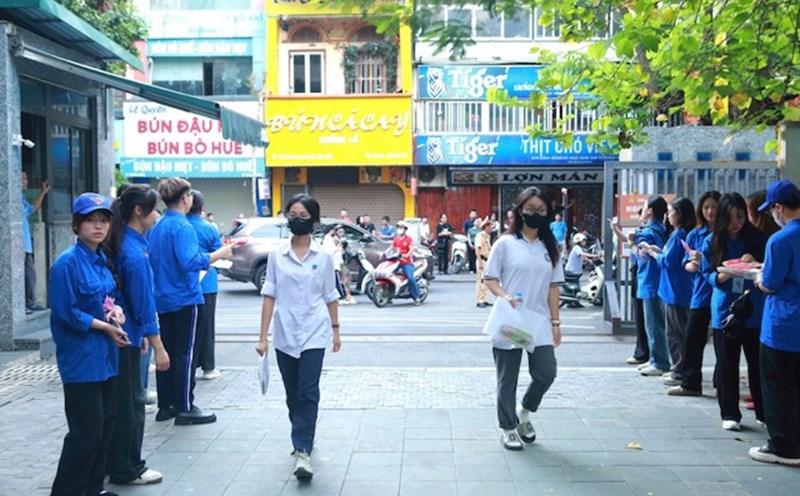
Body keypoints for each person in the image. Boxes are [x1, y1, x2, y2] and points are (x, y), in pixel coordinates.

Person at [255, 194, 341, 481]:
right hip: (285, 334)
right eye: (292, 214)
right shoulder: (277, 255)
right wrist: (263, 337)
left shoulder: (324, 257)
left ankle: (301, 449)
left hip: (315, 334)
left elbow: (330, 295)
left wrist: (336, 330)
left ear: (314, 221)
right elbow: (269, 295)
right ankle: (303, 432)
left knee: (307, 391)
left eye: (303, 216)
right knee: (293, 395)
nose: (297, 220)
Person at [48, 193, 129, 496]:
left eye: (103, 220)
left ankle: (93, 488)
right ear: (77, 224)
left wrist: (114, 312)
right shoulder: (66, 264)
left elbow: (106, 299)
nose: (98, 226)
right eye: (90, 221)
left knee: (107, 424)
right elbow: (67, 312)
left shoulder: (101, 261)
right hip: (81, 359)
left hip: (106, 356)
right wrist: (106, 326)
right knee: (86, 432)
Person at [483, 187, 564, 451]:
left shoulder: (550, 247)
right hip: (512, 320)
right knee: (508, 377)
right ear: (520, 211)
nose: (535, 214)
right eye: (530, 210)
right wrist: (504, 295)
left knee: (546, 373)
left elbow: (554, 287)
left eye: (541, 211)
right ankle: (508, 427)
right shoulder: (505, 244)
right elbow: (490, 278)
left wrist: (555, 323)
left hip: (538, 323)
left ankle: (524, 411)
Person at [148, 178, 232, 426]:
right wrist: (220, 254)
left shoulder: (159, 225)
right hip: (185, 297)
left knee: (169, 352)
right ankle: (185, 405)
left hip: (163, 297)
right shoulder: (182, 227)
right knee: (186, 353)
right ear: (186, 198)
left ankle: (166, 405)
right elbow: (190, 261)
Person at [103, 184, 170, 486]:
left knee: (120, 403)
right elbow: (143, 305)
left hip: (123, 334)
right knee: (132, 403)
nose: (157, 215)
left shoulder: (125, 245)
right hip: (128, 336)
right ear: (139, 212)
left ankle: (114, 462)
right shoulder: (134, 254)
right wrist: (158, 345)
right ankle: (129, 466)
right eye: (155, 209)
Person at [701, 192, 766, 431]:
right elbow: (707, 273)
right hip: (725, 310)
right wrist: (725, 273)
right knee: (727, 365)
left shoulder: (757, 238)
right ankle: (730, 414)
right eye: (730, 218)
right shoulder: (712, 241)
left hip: (755, 309)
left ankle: (764, 412)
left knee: (757, 365)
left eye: (740, 216)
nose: (736, 222)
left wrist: (754, 262)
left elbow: (768, 267)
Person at [751, 179, 800, 466]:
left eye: (771, 212)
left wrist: (758, 276)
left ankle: (783, 446)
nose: (772, 217)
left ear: (779, 208)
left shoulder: (780, 240)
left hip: (783, 326)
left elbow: (769, 283)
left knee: (778, 388)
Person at [668, 191, 720, 396]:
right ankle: (690, 383)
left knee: (723, 343)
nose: (710, 211)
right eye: (706, 207)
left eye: (714, 207)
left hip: (722, 293)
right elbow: (685, 265)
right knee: (693, 339)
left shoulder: (728, 234)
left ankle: (721, 383)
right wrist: (694, 262)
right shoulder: (694, 235)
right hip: (700, 293)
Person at [643, 197, 696, 388]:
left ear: (679, 214)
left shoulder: (679, 234)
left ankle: (679, 371)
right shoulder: (679, 234)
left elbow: (667, 262)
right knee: (676, 333)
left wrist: (652, 253)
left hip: (676, 291)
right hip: (677, 290)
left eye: (671, 211)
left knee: (676, 334)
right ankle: (677, 369)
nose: (668, 215)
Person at [188, 191, 223, 380]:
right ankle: (208, 367)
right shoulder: (209, 228)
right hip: (207, 284)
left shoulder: (179, 226)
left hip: (184, 285)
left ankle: (189, 366)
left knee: (187, 329)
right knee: (207, 326)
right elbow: (219, 254)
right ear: (201, 207)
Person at [635, 196, 671, 377]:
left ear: (650, 211)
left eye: (644, 207)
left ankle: (660, 361)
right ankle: (654, 359)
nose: (642, 210)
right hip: (651, 281)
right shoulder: (658, 230)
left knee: (654, 323)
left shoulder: (650, 231)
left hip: (651, 281)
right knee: (653, 323)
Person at [610, 210, 649, 365]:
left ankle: (645, 354)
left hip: (643, 275)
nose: (640, 216)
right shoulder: (642, 231)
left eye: (644, 212)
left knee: (645, 317)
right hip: (638, 273)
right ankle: (644, 352)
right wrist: (615, 228)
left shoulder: (650, 233)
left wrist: (632, 243)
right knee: (641, 316)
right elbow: (626, 240)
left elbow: (641, 254)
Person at [21, 170, 49, 314]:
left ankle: (30, 303)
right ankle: (25, 304)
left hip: (25, 243)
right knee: (24, 275)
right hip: (18, 243)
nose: (25, 182)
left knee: (29, 273)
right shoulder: (13, 200)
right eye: (22, 179)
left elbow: (32, 209)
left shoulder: (21, 198)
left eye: (26, 178)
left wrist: (43, 193)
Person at [392, 221, 421, 306]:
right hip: (396, 262)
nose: (399, 229)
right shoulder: (396, 238)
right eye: (398, 227)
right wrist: (384, 253)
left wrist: (407, 255)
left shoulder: (409, 239)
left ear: (405, 229)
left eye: (401, 227)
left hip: (406, 262)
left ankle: (417, 297)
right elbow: (392, 247)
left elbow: (412, 249)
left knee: (410, 278)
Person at [475, 217, 493, 307]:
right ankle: (480, 300)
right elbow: (477, 249)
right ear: (486, 227)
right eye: (490, 226)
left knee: (485, 281)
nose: (491, 228)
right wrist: (480, 262)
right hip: (481, 260)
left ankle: (485, 299)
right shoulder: (480, 236)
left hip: (486, 260)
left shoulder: (486, 236)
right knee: (481, 281)